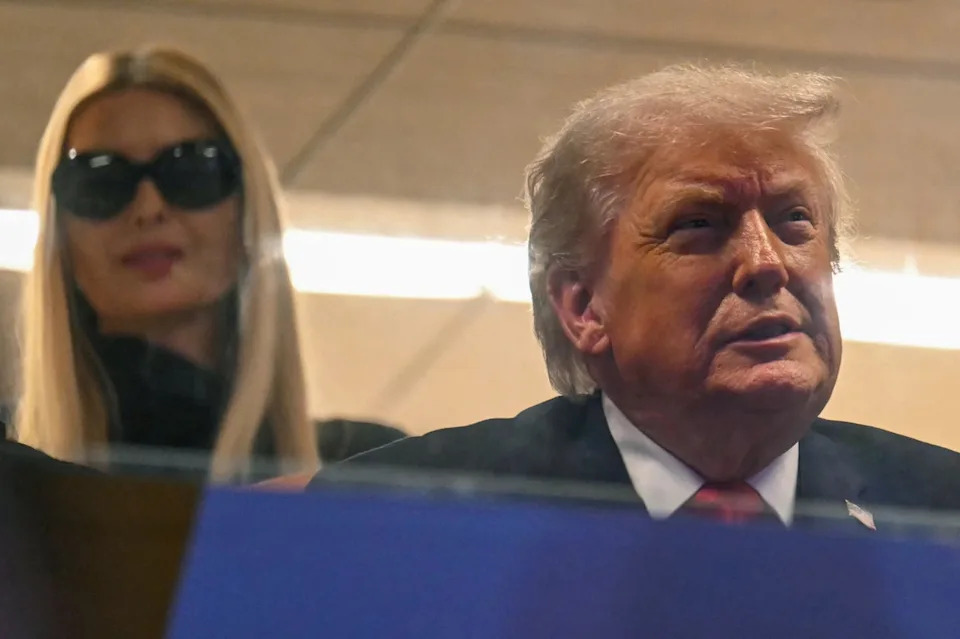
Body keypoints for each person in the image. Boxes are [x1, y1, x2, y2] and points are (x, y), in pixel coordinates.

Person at [315, 65, 960, 529]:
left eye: (794, 221)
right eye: (699, 225)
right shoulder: (399, 516)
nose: (767, 265)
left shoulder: (940, 513)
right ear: (583, 307)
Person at [13, 47, 318, 481]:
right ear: (61, 235)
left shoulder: (362, 477)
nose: (148, 207)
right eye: (100, 179)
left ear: (248, 209)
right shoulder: (12, 480)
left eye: (191, 170)